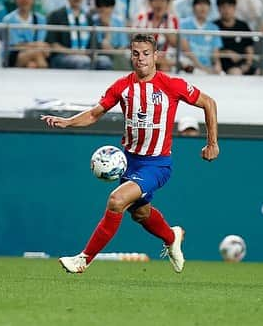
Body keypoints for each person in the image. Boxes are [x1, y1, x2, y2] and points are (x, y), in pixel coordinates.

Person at [41, 33, 219, 274]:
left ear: (156, 55)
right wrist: (67, 122)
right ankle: (171, 236)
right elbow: (94, 114)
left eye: (146, 53)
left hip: (157, 164)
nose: (141, 59)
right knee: (140, 213)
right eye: (136, 53)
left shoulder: (171, 85)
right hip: (130, 162)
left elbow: (209, 102)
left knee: (116, 201)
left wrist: (212, 143)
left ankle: (83, 259)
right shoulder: (122, 86)